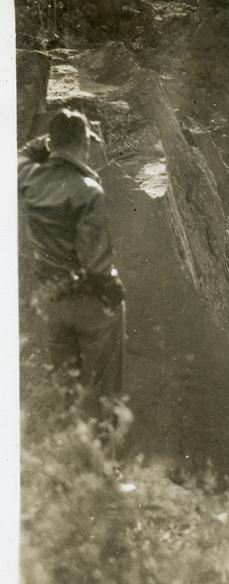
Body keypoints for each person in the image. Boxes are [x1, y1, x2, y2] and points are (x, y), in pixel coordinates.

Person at [18, 108, 126, 416]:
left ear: (52, 144)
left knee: (65, 382)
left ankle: (69, 452)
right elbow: (97, 263)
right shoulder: (88, 191)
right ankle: (103, 457)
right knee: (104, 386)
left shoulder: (28, 178)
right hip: (88, 301)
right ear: (84, 144)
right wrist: (113, 292)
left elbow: (18, 156)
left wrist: (47, 142)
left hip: (50, 298)